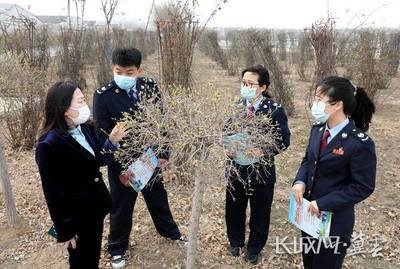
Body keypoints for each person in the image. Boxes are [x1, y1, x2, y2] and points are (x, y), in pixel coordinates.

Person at [93, 47, 185, 269]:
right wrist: (115, 155)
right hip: (122, 162)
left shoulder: (149, 87)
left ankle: (170, 233)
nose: (124, 76)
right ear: (113, 69)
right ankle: (117, 248)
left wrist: (163, 153)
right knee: (121, 207)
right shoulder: (103, 96)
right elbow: (101, 135)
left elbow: (161, 121)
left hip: (149, 158)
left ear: (138, 70)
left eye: (129, 72)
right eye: (119, 71)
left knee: (158, 197)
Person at [36, 81, 128, 269]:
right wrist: (65, 231)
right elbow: (52, 194)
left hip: (95, 208)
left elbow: (97, 161)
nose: (85, 105)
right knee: (81, 262)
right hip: (76, 217)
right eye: (80, 102)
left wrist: (111, 142)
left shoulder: (85, 128)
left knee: (91, 257)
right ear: (64, 109)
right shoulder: (49, 145)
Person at [291, 76, 376, 269]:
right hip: (309, 216)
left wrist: (323, 203)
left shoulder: (359, 143)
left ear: (337, 105)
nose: (315, 103)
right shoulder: (318, 130)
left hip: (334, 222)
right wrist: (299, 182)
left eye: (320, 99)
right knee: (310, 263)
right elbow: (308, 161)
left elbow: (362, 187)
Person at [225, 64, 291, 264]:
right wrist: (228, 147)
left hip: (261, 170)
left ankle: (254, 248)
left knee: (260, 211)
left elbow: (283, 140)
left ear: (263, 87)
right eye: (244, 83)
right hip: (236, 168)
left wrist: (263, 151)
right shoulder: (237, 106)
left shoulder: (274, 110)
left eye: (251, 84)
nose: (246, 87)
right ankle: (235, 242)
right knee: (234, 207)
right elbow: (226, 131)